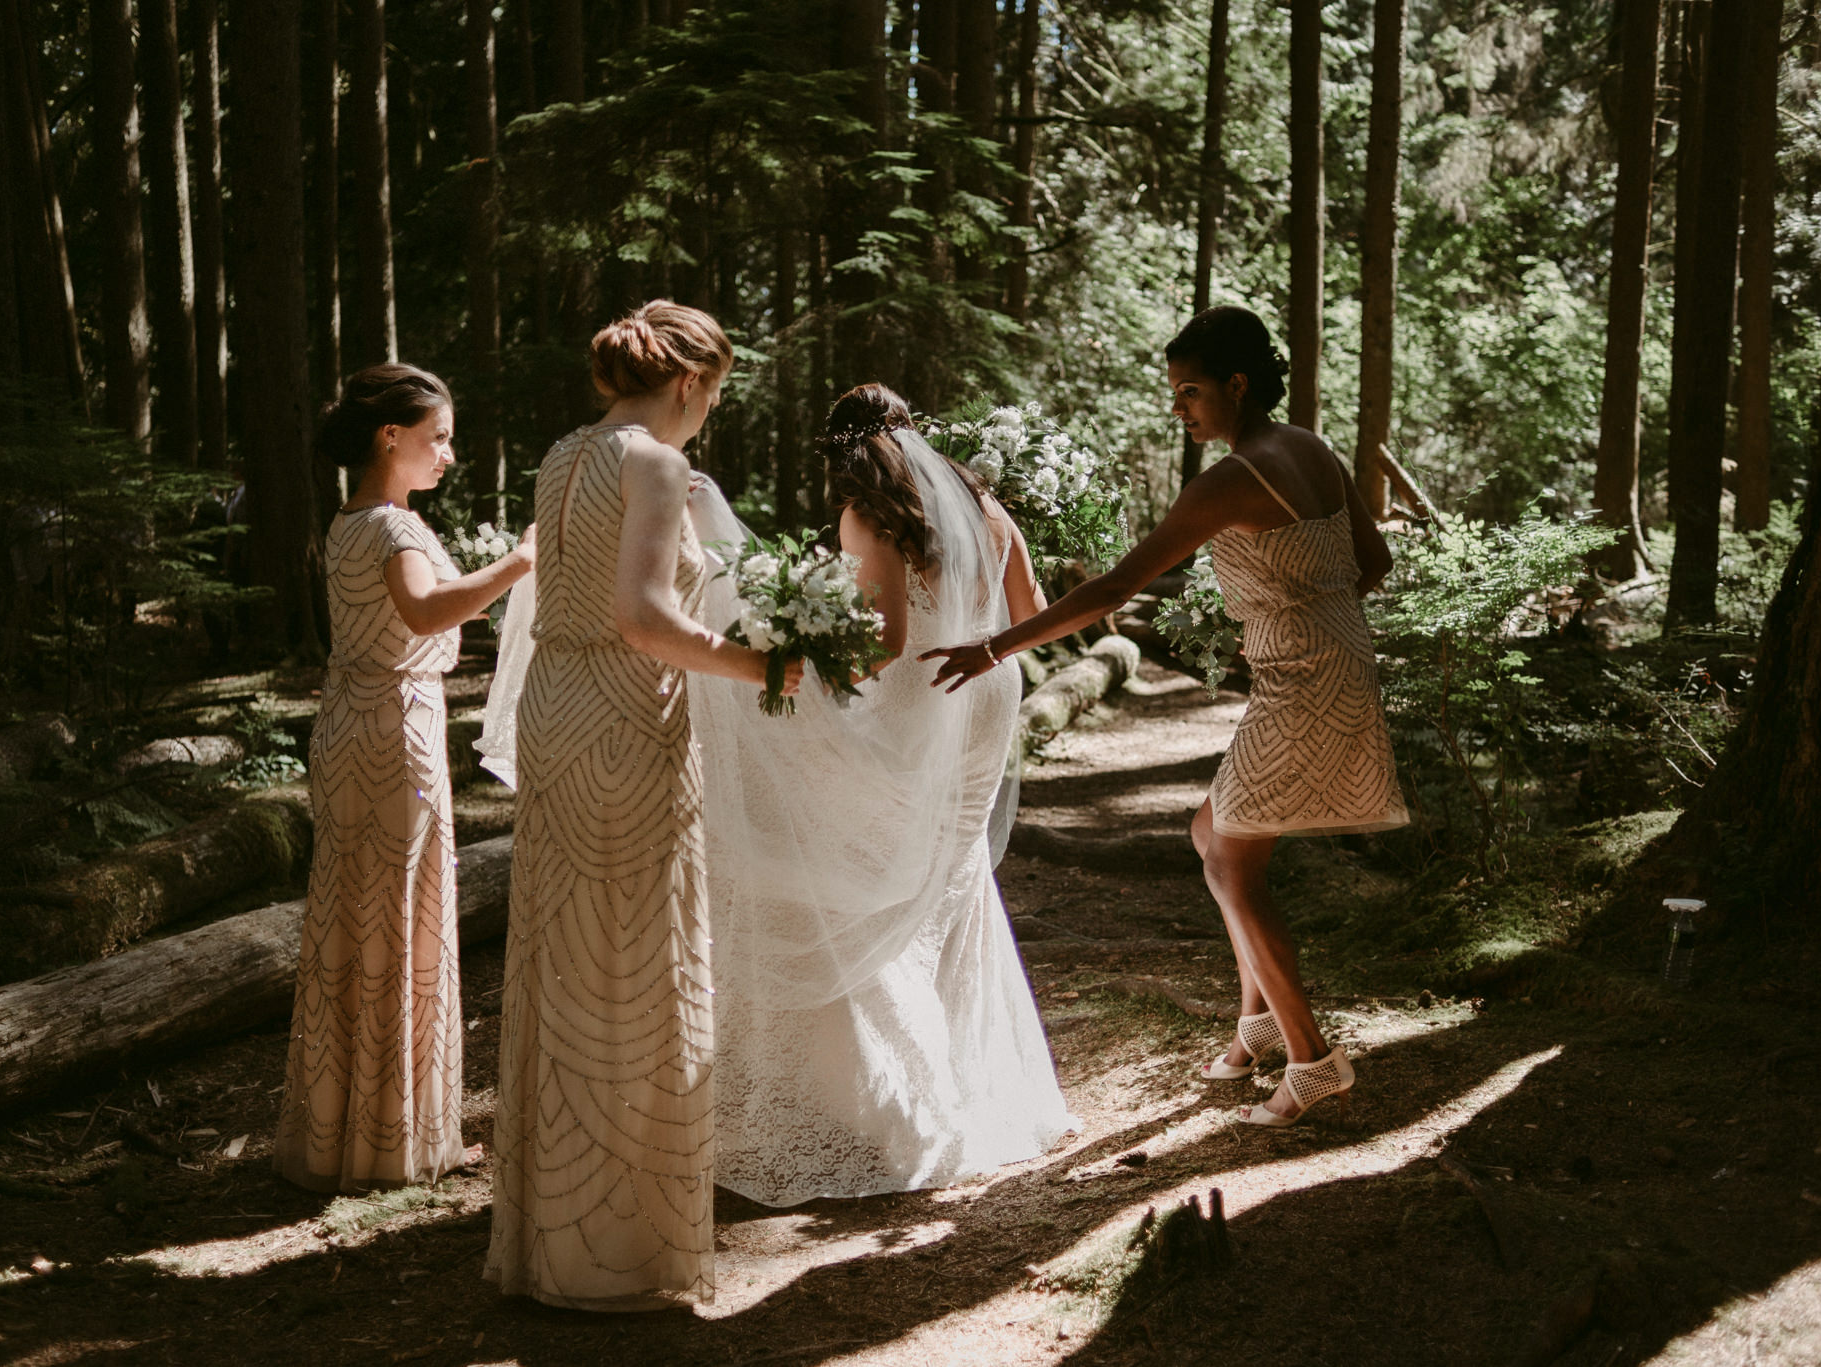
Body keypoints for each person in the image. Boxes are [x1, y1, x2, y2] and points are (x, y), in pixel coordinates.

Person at [924, 307, 1407, 1127]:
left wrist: (995, 648)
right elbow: (1376, 561)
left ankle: (1313, 1060)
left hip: (1302, 680)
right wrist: (1298, 615)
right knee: (1209, 834)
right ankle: (1255, 1026)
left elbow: (1115, 589)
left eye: (1189, 391)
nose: (1178, 409)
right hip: (1334, 661)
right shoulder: (1314, 449)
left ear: (1237, 385)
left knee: (1230, 865)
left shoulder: (1230, 480)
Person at [687, 384, 1076, 1206]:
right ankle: (974, 1076)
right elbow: (1032, 611)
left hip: (920, 698)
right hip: (988, 693)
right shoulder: (985, 506)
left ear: (839, 452)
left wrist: (806, 670)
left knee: (875, 869)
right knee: (954, 876)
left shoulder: (870, 516)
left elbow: (887, 642)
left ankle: (905, 1091)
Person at [485, 301, 800, 1311]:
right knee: (633, 958)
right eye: (712, 395)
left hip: (553, 703)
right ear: (689, 384)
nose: (705, 414)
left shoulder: (558, 455)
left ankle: (556, 1229)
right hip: (624, 712)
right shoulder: (656, 465)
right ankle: (618, 1245)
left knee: (567, 953)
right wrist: (761, 664)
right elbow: (644, 616)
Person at [276, 363, 535, 1194]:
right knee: (400, 916)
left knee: (351, 915)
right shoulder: (390, 529)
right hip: (394, 731)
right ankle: (394, 1138)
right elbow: (425, 612)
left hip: (349, 721)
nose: (449, 455)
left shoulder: (350, 521)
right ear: (392, 437)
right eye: (439, 438)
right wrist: (517, 564)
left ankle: (340, 1131)